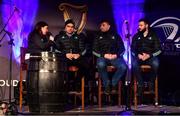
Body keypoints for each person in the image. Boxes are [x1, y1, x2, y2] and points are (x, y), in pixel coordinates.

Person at [131, 18, 161, 102]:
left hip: (150, 57)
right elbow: (132, 49)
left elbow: (159, 50)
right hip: (139, 57)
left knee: (156, 63)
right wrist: (138, 55)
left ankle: (151, 83)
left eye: (141, 25)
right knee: (134, 64)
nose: (139, 27)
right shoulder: (136, 36)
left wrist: (149, 55)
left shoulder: (153, 35)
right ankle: (141, 85)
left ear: (146, 25)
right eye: (139, 25)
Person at [93, 20, 127, 94]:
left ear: (109, 26)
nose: (101, 27)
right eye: (101, 25)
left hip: (114, 57)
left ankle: (113, 82)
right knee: (100, 64)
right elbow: (94, 50)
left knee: (123, 66)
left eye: (103, 25)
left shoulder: (116, 35)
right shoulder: (98, 36)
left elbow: (122, 49)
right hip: (103, 57)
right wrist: (104, 55)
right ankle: (107, 84)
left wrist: (116, 55)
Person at [54, 19, 88, 92]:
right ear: (65, 27)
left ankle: (77, 82)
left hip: (76, 58)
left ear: (74, 28)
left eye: (72, 27)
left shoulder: (78, 37)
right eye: (68, 26)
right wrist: (65, 54)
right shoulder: (59, 37)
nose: (70, 28)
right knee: (61, 67)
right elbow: (56, 49)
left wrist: (79, 54)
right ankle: (67, 85)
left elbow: (84, 49)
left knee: (86, 65)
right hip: (65, 58)